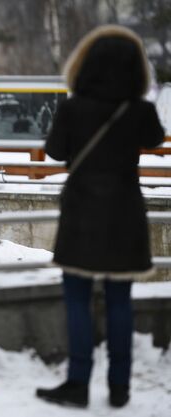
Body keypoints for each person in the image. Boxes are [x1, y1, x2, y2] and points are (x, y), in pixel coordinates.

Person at [36, 25, 165, 409]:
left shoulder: (74, 107)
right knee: (119, 300)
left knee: (77, 298)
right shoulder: (139, 109)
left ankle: (77, 383)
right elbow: (156, 138)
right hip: (125, 213)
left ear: (85, 64)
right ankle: (120, 386)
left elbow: (56, 152)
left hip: (81, 213)